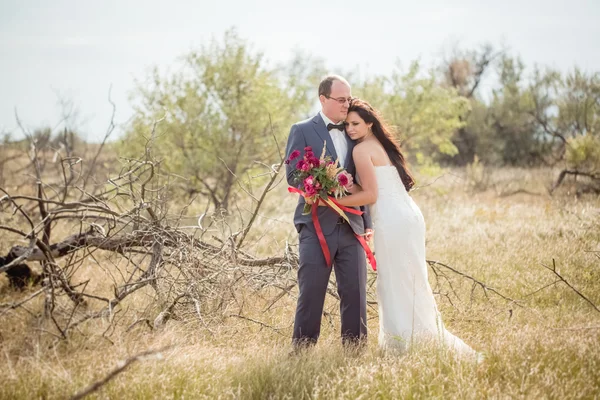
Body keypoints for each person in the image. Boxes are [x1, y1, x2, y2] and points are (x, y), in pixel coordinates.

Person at [335, 98, 480, 358]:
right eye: (347, 125)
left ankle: (404, 346)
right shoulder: (379, 145)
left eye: (356, 124)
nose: (350, 129)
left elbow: (370, 195)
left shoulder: (360, 150)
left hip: (393, 221)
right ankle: (412, 340)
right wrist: (344, 184)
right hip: (407, 217)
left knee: (395, 281)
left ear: (369, 123)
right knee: (408, 281)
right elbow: (374, 189)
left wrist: (334, 201)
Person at [284, 75, 373, 349]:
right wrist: (321, 187)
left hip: (352, 227)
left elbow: (365, 179)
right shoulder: (301, 129)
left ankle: (354, 353)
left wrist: (367, 221)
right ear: (323, 99)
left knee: (355, 294)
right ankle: (301, 354)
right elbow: (293, 175)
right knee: (310, 293)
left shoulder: (354, 130)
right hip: (315, 227)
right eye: (341, 100)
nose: (347, 105)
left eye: (349, 99)